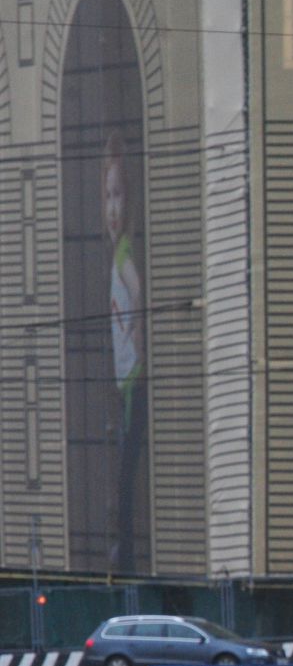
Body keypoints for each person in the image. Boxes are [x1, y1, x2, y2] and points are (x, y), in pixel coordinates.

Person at [103, 134, 146, 573]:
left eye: (120, 195)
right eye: (107, 196)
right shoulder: (116, 252)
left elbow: (137, 290)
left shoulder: (124, 255)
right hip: (123, 380)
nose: (113, 208)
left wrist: (136, 330)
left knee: (125, 464)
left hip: (133, 379)